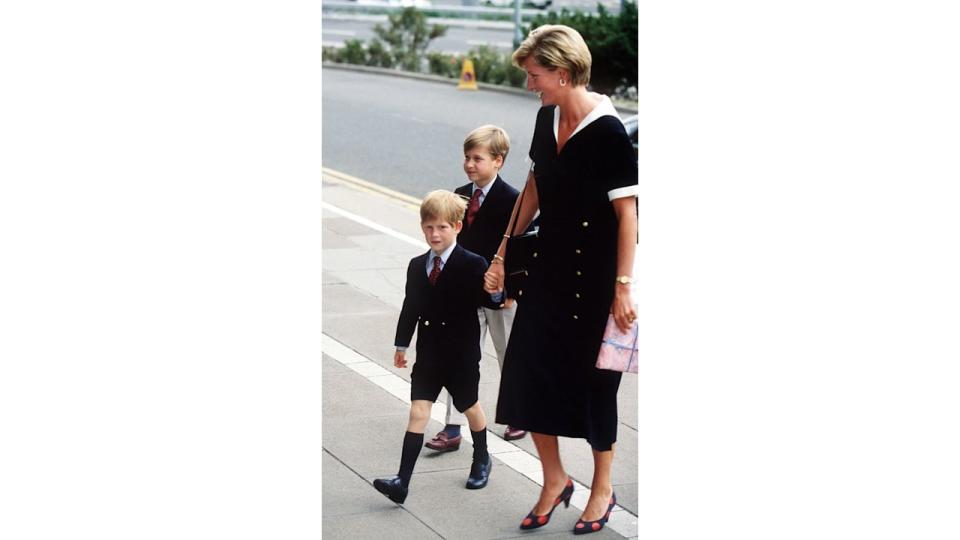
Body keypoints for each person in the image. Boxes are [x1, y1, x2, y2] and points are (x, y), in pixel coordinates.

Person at [484, 25, 638, 535]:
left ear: (564, 73)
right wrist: (504, 250)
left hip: (595, 280)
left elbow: (628, 214)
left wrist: (622, 287)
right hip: (549, 269)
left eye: (535, 76)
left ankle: (602, 488)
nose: (531, 85)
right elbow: (533, 186)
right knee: (528, 372)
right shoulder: (546, 117)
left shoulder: (609, 132)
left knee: (595, 387)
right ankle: (554, 479)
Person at [372, 190, 505, 504]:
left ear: (457, 227)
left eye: (442, 227)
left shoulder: (473, 263)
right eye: (429, 227)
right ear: (422, 227)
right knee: (418, 412)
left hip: (461, 354)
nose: (435, 233)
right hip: (430, 354)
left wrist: (495, 292)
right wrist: (401, 345)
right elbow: (411, 307)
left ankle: (482, 459)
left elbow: (489, 304)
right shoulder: (417, 265)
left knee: (470, 407)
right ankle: (401, 482)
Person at [425, 125, 528, 454]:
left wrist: (513, 291)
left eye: (477, 158)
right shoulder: (459, 195)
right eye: (466, 157)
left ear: (498, 161)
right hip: (466, 295)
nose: (470, 164)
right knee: (460, 359)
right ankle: (453, 427)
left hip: (500, 295)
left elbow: (521, 249)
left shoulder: (513, 199)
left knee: (509, 356)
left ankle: (519, 414)